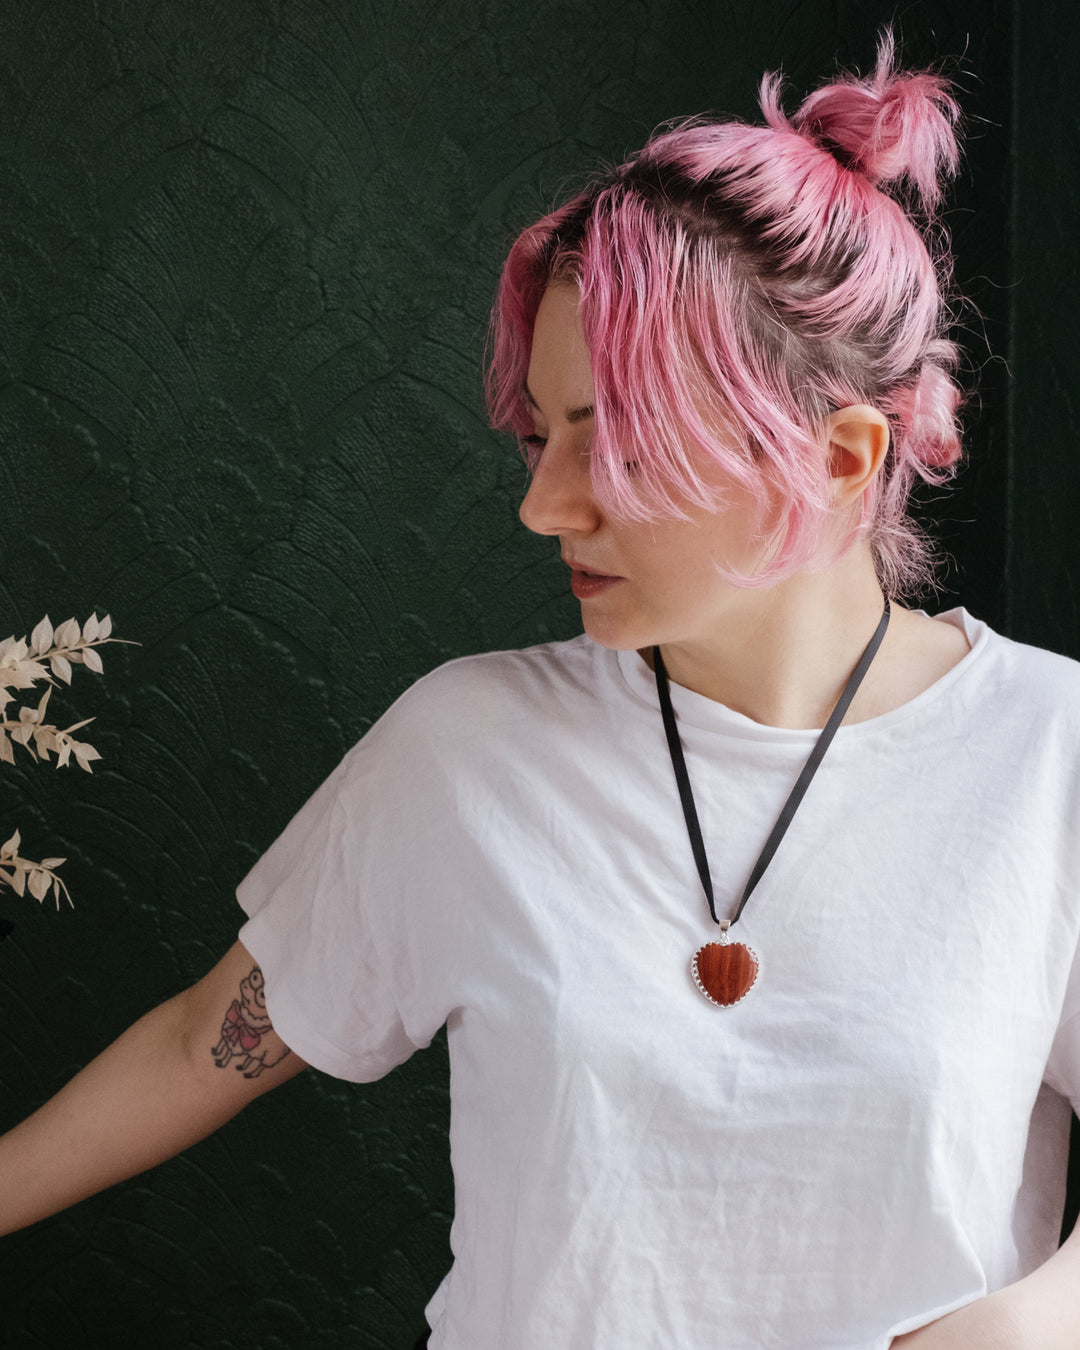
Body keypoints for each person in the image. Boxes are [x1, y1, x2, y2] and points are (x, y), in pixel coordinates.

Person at [2, 32, 1079, 1350]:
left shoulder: (1048, 755)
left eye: (614, 440)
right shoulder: (470, 746)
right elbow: (199, 1047)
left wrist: (1036, 1320)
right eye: (539, 434)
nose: (539, 505)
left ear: (846, 460)